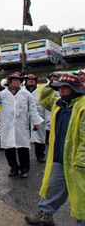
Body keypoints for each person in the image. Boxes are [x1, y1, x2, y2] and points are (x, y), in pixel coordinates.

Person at [25, 74, 85, 225]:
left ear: (75, 89)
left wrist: (81, 160)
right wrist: (49, 84)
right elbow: (44, 99)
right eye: (60, 88)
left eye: (65, 88)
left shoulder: (82, 106)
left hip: (78, 161)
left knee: (81, 194)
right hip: (60, 156)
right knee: (53, 187)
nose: (61, 91)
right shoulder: (59, 104)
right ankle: (46, 214)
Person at [0, 72, 43, 178]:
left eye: (20, 80)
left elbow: (32, 108)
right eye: (15, 80)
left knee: (23, 147)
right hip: (7, 125)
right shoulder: (3, 93)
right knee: (9, 148)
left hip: (21, 125)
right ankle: (13, 167)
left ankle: (24, 169)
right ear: (9, 81)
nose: (18, 81)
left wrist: (36, 122)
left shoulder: (25, 93)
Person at [25, 74, 51, 163]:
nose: (31, 81)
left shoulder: (40, 91)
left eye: (33, 80)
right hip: (25, 118)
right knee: (24, 138)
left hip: (39, 117)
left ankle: (40, 155)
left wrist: (47, 118)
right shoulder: (22, 91)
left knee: (40, 137)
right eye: (29, 80)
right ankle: (25, 158)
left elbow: (44, 104)